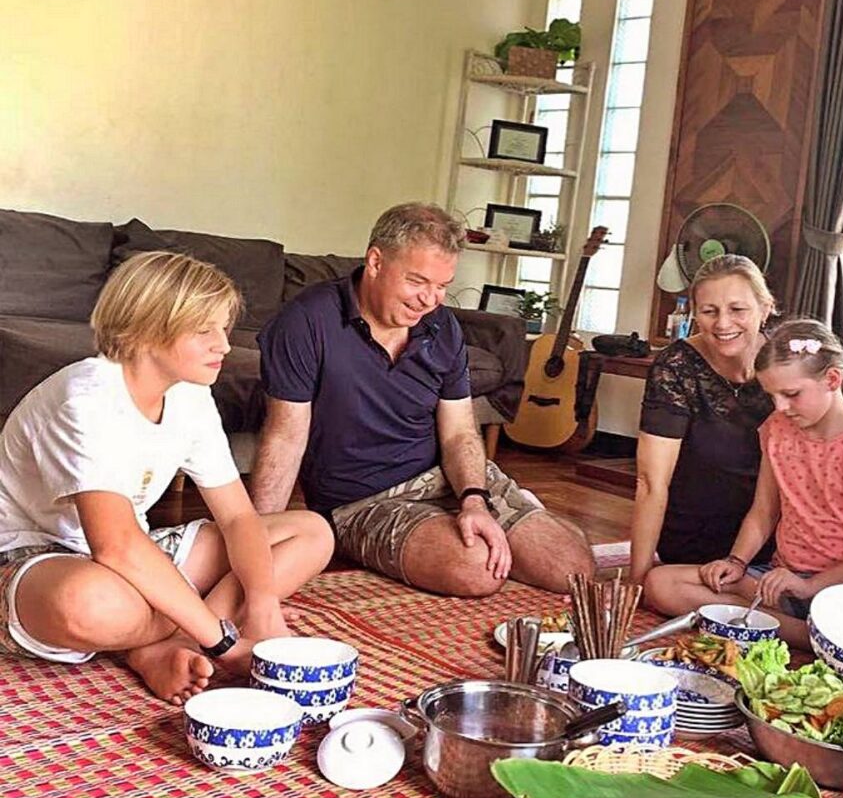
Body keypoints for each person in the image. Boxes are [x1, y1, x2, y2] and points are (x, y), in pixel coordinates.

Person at [0, 252, 334, 705]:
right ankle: (154, 640)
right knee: (89, 603)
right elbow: (115, 546)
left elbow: (238, 517)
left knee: (311, 532)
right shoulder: (85, 399)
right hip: (32, 561)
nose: (225, 345)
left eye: (224, 328)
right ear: (144, 330)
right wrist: (224, 642)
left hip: (133, 560)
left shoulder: (191, 395)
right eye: (205, 331)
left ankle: (169, 642)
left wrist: (262, 603)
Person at [249, 202, 593, 596]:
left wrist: (475, 501)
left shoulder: (442, 326)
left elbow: (460, 434)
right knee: (478, 570)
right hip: (362, 501)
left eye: (442, 286)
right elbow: (284, 439)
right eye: (417, 281)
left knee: (573, 569)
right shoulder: (305, 322)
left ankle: (493, 525)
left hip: (446, 479)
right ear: (376, 261)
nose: (429, 299)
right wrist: (257, 545)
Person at [645, 318, 843, 645]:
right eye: (772, 396)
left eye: (791, 394)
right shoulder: (776, 429)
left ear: (832, 379)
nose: (780, 407)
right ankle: (810, 636)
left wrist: (811, 586)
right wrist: (736, 561)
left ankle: (768, 625)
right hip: (779, 583)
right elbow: (763, 512)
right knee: (660, 583)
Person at [630, 255, 777, 584]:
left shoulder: (792, 361)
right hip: (695, 540)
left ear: (765, 308)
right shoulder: (675, 367)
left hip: (781, 539)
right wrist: (638, 580)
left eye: (738, 310)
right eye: (709, 312)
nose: (723, 324)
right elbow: (651, 482)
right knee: (659, 586)